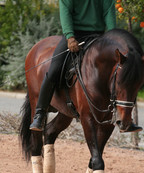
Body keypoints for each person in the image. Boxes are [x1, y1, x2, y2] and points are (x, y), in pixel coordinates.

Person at [30, 0, 116, 131]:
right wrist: (70, 37)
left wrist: (112, 39)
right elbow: (65, 12)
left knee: (123, 68)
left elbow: (109, 13)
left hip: (100, 36)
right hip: (75, 36)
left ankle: (125, 115)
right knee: (54, 70)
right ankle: (40, 114)